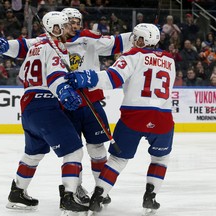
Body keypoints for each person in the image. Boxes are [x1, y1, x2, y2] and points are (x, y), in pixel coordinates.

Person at [65, 23, 176, 215]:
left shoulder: (132, 55)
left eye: (137, 37)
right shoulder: (170, 60)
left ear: (143, 40)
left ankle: (98, 197)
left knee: (117, 160)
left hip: (134, 117)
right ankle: (151, 197)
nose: (134, 40)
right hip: (163, 118)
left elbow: (112, 78)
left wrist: (86, 78)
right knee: (161, 157)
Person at [0, 11, 88, 214]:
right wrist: (64, 91)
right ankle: (68, 198)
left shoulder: (37, 46)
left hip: (28, 106)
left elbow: (22, 46)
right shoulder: (55, 47)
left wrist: (5, 46)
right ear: (56, 28)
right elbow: (54, 75)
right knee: (74, 151)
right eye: (64, 25)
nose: (69, 28)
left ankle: (17, 193)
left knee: (33, 153)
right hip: (46, 104)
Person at [61, 7, 133, 205]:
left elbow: (116, 43)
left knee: (98, 149)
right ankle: (75, 188)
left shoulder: (88, 39)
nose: (75, 26)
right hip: (66, 103)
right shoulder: (52, 43)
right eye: (70, 22)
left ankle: (101, 188)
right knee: (72, 151)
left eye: (77, 21)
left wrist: (137, 34)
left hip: (91, 101)